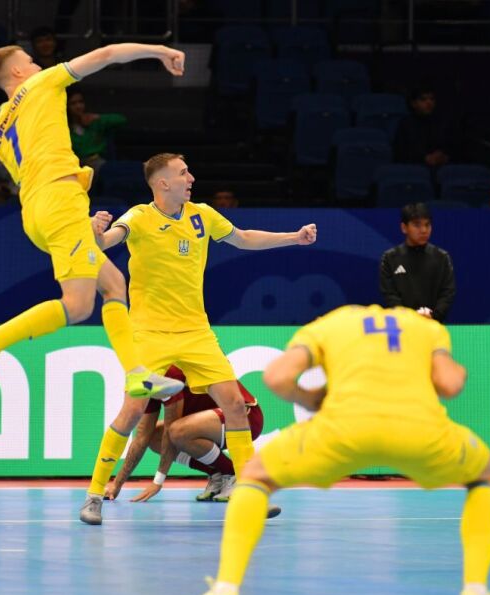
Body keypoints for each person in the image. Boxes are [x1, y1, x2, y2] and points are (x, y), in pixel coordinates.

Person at [179, 304, 490, 595]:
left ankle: (224, 594)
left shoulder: (329, 324)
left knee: (255, 475)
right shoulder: (424, 328)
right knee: (486, 472)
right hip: (419, 432)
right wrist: (453, 367)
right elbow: (450, 384)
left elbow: (277, 377)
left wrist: (309, 399)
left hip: (340, 432)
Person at [78, 152, 317, 525]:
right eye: (183, 172)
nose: (191, 178)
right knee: (132, 411)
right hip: (149, 334)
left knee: (234, 404)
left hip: (196, 332)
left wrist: (294, 238)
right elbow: (107, 241)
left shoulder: (202, 215)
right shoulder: (139, 217)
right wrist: (94, 230)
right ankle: (94, 496)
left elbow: (243, 238)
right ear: (163, 183)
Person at [0, 44, 189, 408]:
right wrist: (159, 50)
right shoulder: (42, 83)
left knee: (114, 285)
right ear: (18, 72)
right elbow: (107, 54)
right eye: (31, 61)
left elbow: (35, 175)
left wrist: (77, 221)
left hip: (37, 211)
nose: (38, 65)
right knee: (79, 305)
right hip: (59, 203)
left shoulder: (1, 129)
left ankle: (136, 373)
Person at [105, 365, 264, 504]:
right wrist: (116, 484)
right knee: (154, 437)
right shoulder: (147, 382)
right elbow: (142, 437)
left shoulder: (170, 373)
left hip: (245, 417)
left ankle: (233, 473)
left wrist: (158, 482)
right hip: (212, 422)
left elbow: (171, 431)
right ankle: (216, 473)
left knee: (177, 431)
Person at [379, 202, 456, 322]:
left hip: (433, 324)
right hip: (402, 326)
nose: (424, 230)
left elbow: (447, 293)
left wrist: (433, 315)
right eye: (417, 225)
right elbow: (390, 295)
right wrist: (408, 317)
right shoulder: (390, 258)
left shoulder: (442, 257)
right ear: (404, 228)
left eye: (427, 225)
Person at [67, 87, 126, 178]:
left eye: (80, 102)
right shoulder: (64, 127)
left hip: (100, 162)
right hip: (78, 165)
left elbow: (121, 120)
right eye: (73, 104)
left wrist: (98, 117)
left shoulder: (93, 121)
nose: (78, 106)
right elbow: (81, 151)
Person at [392, 84, 456, 168]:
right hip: (413, 168)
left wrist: (442, 156)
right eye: (423, 99)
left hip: (440, 167)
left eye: (432, 99)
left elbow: (448, 147)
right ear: (413, 103)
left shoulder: (441, 123)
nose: (429, 102)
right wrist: (424, 158)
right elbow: (401, 153)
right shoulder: (405, 124)